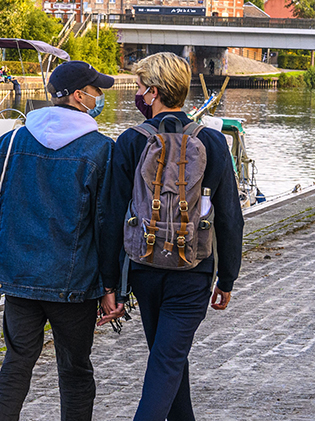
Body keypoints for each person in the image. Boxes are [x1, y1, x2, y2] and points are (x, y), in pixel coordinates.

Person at [0, 60, 124, 421]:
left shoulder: (14, 139)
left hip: (18, 278)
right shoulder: (101, 149)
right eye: (97, 91)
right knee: (75, 371)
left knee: (16, 364)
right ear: (80, 97)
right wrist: (110, 286)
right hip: (75, 283)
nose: (100, 97)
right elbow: (107, 223)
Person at [100, 52, 243, 421]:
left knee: (167, 361)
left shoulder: (131, 141)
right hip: (193, 270)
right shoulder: (211, 142)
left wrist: (110, 283)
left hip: (144, 268)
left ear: (154, 93)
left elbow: (111, 215)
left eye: (139, 88)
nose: (137, 95)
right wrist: (226, 277)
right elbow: (229, 215)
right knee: (169, 362)